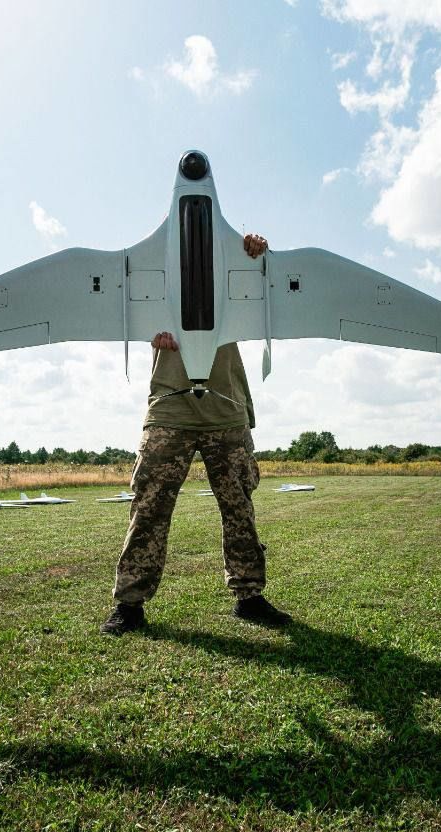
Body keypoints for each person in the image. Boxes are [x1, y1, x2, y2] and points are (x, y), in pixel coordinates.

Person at [101, 233, 291, 635]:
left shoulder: (233, 261)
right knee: (149, 505)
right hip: (171, 405)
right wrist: (151, 331)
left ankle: (249, 596)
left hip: (225, 404)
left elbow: (270, 291)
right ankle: (130, 604)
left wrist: (258, 253)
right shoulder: (153, 267)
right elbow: (125, 309)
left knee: (239, 506)